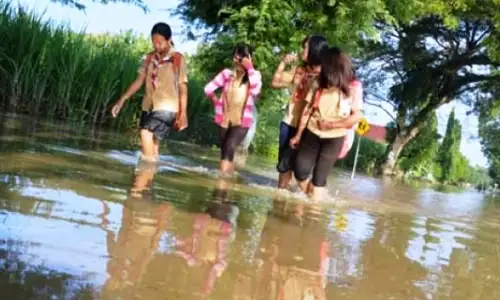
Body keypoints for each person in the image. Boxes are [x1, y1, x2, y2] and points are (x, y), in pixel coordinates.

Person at [290, 47, 364, 201]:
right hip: (312, 131)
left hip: (335, 137)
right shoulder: (318, 83)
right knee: (300, 170)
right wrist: (298, 135)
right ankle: (308, 198)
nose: (321, 67)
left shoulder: (353, 87)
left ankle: (313, 215)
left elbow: (358, 116)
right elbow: (307, 109)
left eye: (324, 64)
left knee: (319, 179)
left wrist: (331, 125)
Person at [111, 22, 188, 162]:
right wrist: (122, 100)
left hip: (167, 108)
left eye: (160, 42)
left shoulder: (177, 59)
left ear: (169, 40)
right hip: (149, 106)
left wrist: (183, 113)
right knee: (154, 147)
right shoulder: (149, 58)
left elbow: (183, 87)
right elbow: (139, 81)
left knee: (145, 133)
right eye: (154, 42)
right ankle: (148, 178)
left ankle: (141, 178)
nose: (156, 46)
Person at [271, 35, 329, 189]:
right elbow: (275, 83)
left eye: (306, 47)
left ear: (315, 50)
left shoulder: (325, 76)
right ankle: (280, 202)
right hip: (289, 122)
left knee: (301, 172)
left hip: (309, 129)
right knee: (284, 166)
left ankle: (310, 205)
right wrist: (283, 63)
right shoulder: (299, 70)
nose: (303, 50)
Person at [204, 43, 262, 175]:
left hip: (242, 122)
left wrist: (249, 67)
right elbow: (208, 88)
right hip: (224, 120)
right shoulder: (227, 74)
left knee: (230, 147)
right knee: (225, 152)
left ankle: (221, 183)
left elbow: (256, 89)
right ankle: (226, 187)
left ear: (248, 58)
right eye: (236, 56)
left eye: (241, 57)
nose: (237, 60)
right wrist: (216, 101)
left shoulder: (254, 76)